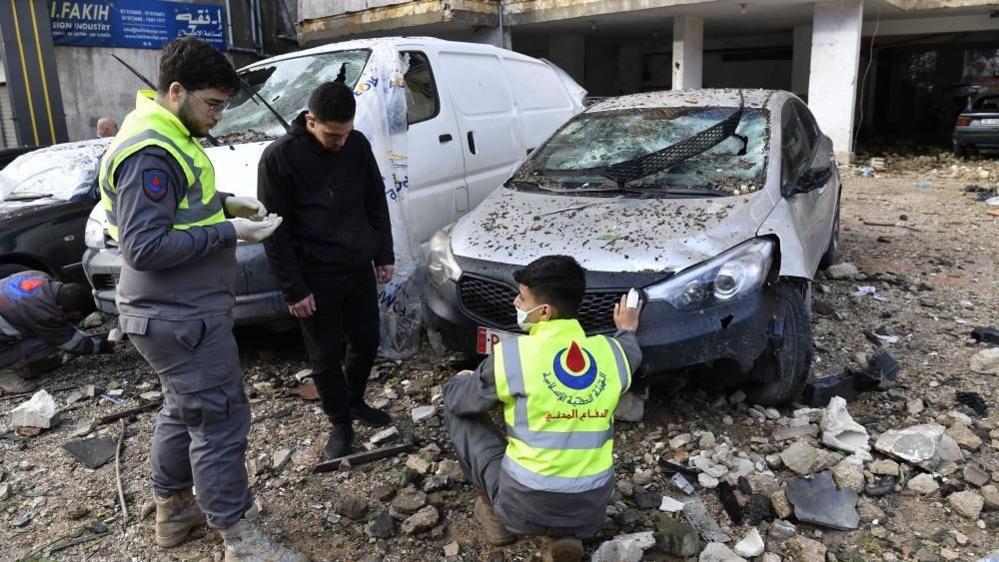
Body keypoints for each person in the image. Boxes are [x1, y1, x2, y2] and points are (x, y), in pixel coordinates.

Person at [97, 37, 304, 562]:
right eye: (211, 104)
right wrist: (228, 232)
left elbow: (177, 208)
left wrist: (222, 202)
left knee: (183, 409)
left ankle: (174, 510)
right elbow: (144, 246)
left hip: (167, 313)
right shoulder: (152, 151)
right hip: (181, 316)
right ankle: (238, 536)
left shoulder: (160, 131)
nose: (216, 116)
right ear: (175, 90)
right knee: (220, 419)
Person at [443, 256, 643, 562]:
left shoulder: (513, 355)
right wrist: (627, 329)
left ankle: (498, 520)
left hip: (522, 507)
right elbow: (631, 350)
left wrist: (458, 382)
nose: (516, 302)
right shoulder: (613, 354)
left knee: (458, 409)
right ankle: (564, 537)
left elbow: (461, 401)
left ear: (545, 311)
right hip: (589, 514)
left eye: (522, 297)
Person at [258, 81, 394, 460]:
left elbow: (375, 200)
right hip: (315, 275)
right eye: (333, 135)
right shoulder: (279, 158)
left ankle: (354, 400)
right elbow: (275, 230)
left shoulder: (358, 145)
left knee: (367, 341)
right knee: (325, 354)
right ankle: (340, 422)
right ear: (310, 120)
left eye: (346, 133)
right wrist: (294, 290)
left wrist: (384, 253)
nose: (340, 142)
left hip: (358, 267)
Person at [0, 271, 113, 394]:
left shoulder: (39, 276)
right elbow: (71, 343)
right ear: (64, 309)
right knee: (52, 341)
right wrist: (102, 346)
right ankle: (4, 373)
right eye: (76, 315)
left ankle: (33, 362)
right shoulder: (43, 313)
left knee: (46, 332)